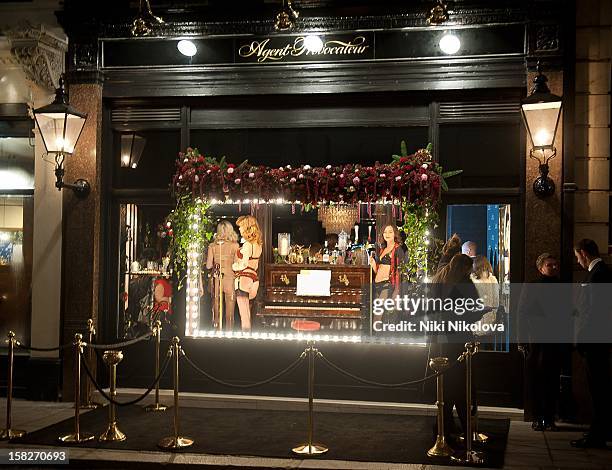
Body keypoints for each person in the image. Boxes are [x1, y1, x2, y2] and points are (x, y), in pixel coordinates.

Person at [430, 253, 485, 441]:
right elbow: (474, 311)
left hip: (443, 337)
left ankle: (443, 424)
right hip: (460, 336)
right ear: (465, 268)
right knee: (462, 383)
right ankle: (465, 426)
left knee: (447, 382)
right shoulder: (465, 284)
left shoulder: (441, 281)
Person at [571, 239, 612, 448]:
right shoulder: (598, 273)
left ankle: (598, 435)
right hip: (596, 341)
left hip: (594, 342)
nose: (578, 261)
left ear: (584, 254)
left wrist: (581, 339)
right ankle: (599, 432)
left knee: (598, 388)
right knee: (598, 387)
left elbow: (594, 312)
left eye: (577, 257)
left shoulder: (598, 275)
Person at [517, 253, 564, 431]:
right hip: (536, 340)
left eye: (555, 264)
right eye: (549, 265)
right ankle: (537, 417)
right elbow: (522, 314)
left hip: (556, 340)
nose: (553, 267)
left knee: (552, 380)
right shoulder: (532, 287)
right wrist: (522, 340)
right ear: (540, 268)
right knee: (536, 380)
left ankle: (550, 417)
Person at [206, 220, 240, 330]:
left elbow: (208, 266)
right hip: (230, 279)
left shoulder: (212, 246)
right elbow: (236, 265)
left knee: (216, 312)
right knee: (229, 314)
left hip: (216, 280)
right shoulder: (235, 246)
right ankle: (229, 337)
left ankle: (216, 335)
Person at [232, 215, 263, 332]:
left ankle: (245, 343)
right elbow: (255, 265)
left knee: (244, 315)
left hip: (243, 279)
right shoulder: (258, 245)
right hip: (254, 279)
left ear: (246, 228)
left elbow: (244, 264)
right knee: (249, 314)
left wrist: (234, 266)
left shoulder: (247, 245)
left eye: (241, 227)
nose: (239, 229)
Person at [369, 224, 405, 321]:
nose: (387, 234)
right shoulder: (383, 249)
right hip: (377, 284)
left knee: (378, 313)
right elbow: (378, 270)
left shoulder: (398, 249)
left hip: (387, 284)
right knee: (376, 315)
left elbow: (399, 271)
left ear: (395, 234)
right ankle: (377, 334)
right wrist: (373, 264)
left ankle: (375, 335)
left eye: (390, 232)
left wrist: (397, 291)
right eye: (385, 232)